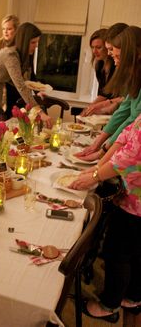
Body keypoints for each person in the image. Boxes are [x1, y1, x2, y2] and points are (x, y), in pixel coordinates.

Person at [69, 114, 141, 322]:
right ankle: (133, 297)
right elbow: (127, 135)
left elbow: (131, 154)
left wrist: (95, 175)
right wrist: (97, 168)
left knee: (118, 252)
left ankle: (110, 305)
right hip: (135, 198)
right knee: (136, 252)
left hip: (136, 204)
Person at [0, 22, 52, 130]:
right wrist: (40, 112)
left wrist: (36, 90)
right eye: (33, 42)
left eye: (37, 42)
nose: (36, 46)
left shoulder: (20, 55)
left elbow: (21, 81)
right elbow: (20, 86)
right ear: (24, 41)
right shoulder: (10, 56)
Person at [76, 25, 141, 162]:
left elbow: (129, 121)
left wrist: (102, 153)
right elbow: (124, 111)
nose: (113, 58)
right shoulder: (134, 77)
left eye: (112, 51)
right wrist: (98, 145)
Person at [80, 28, 122, 117]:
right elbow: (103, 93)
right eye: (92, 47)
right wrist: (88, 108)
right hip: (109, 110)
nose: (94, 51)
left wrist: (94, 107)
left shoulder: (117, 65)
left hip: (119, 109)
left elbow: (119, 97)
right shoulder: (99, 65)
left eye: (99, 47)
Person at [0, 14, 21, 119]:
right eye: (3, 29)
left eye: (9, 29)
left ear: (16, 30)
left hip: (13, 86)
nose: (5, 32)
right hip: (0, 84)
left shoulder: (19, 46)